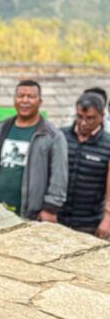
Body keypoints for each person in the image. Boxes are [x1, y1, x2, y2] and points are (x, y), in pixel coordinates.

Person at [0, 80, 68, 220]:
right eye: (20, 96)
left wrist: (51, 209)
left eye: (30, 97)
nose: (25, 100)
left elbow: (59, 176)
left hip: (33, 215)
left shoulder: (52, 135)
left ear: (40, 101)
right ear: (14, 100)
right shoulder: (2, 128)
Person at [59, 92, 110, 237]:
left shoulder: (108, 145)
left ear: (102, 116)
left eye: (90, 118)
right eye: (80, 116)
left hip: (89, 221)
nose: (83, 122)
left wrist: (108, 218)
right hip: (58, 217)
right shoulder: (60, 137)